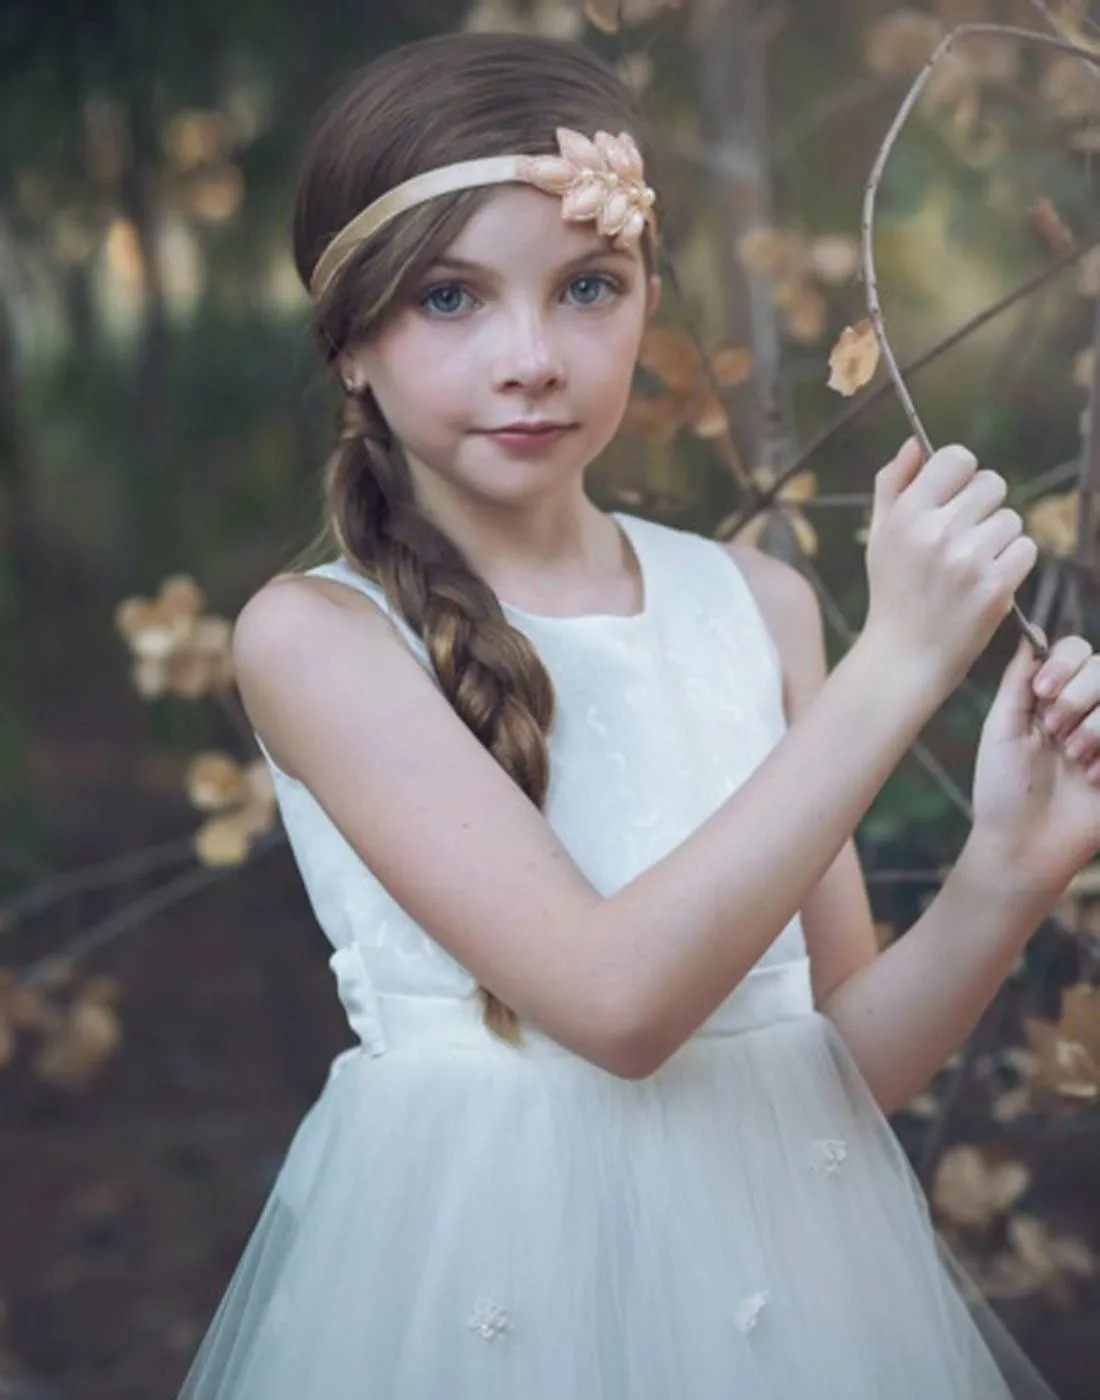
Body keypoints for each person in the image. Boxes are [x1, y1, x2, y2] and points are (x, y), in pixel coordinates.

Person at [177, 30, 1099, 1400]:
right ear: (351, 343)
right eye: (450, 299)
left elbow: (838, 1056)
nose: (533, 357)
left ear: (645, 298)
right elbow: (617, 1007)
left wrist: (1011, 870)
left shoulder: (758, 604)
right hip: (491, 1299)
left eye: (588, 287)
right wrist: (897, 664)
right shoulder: (321, 640)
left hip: (791, 1283)